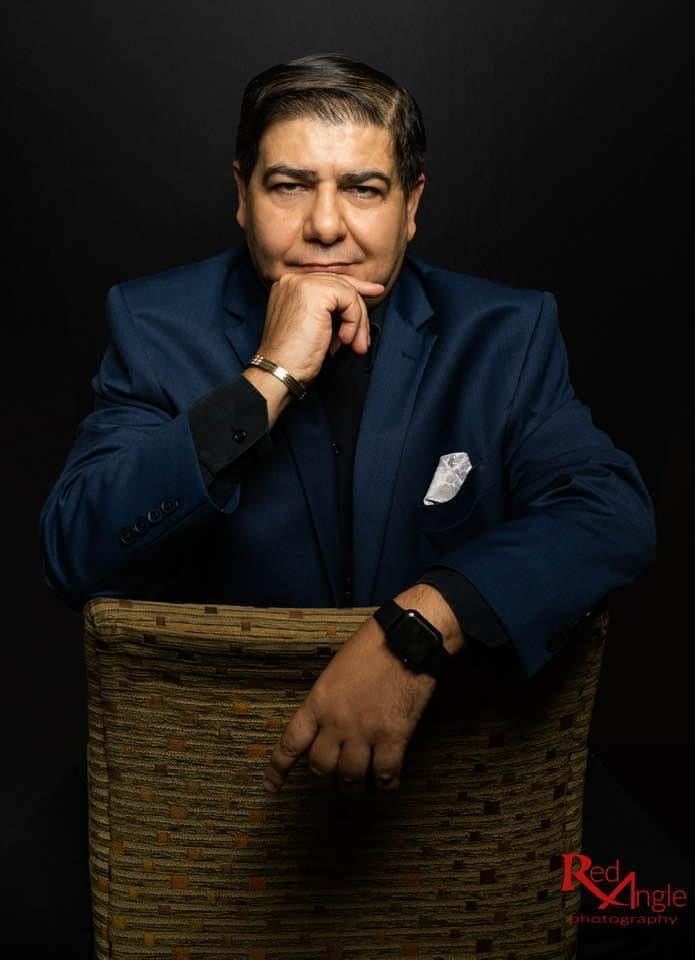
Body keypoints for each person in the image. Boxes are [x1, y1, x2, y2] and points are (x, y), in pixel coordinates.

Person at [39, 53, 656, 799]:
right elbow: (76, 552)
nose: (325, 225)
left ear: (411, 204)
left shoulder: (505, 332)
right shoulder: (152, 323)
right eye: (289, 185)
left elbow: (609, 512)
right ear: (242, 194)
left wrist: (419, 626)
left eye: (362, 189)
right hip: (209, 782)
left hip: (456, 791)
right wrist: (269, 376)